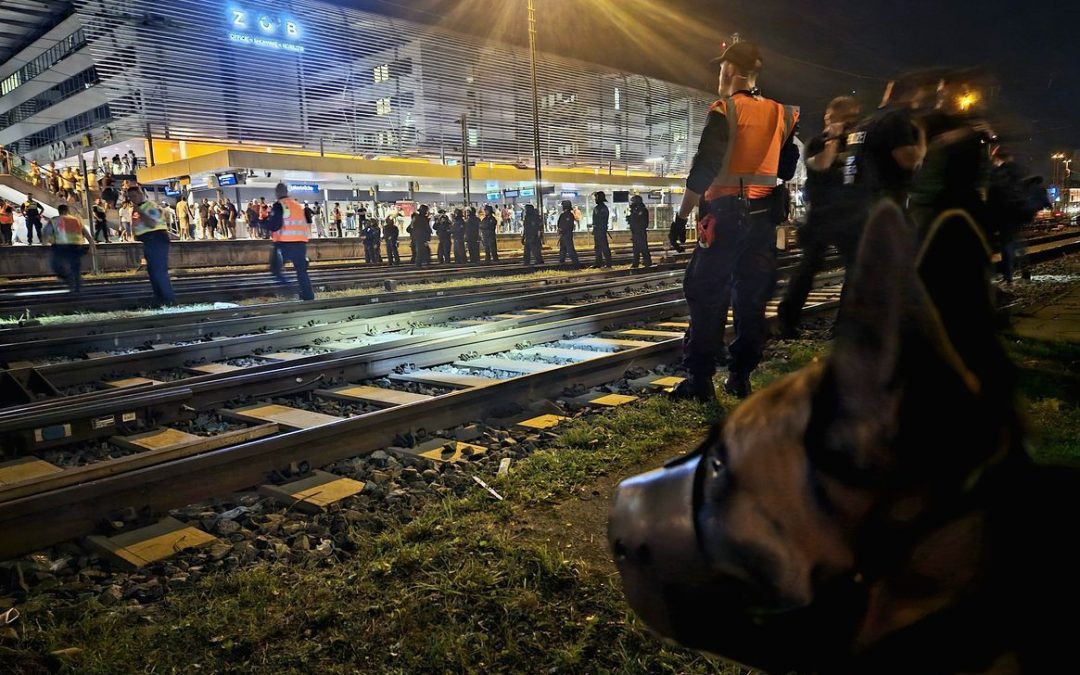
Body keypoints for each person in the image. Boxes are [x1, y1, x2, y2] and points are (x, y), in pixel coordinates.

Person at [670, 41, 800, 401]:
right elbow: (786, 167)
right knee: (752, 298)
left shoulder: (724, 110)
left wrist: (681, 217)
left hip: (723, 218)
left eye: (721, 69)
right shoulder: (782, 114)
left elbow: (704, 168)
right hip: (762, 222)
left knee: (707, 295)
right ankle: (740, 376)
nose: (719, 75)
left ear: (730, 71)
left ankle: (700, 381)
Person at [776, 96, 863, 338]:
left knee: (855, 271)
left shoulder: (855, 144)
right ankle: (787, 321)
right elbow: (822, 164)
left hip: (849, 215)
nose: (852, 123)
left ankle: (843, 326)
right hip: (821, 216)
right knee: (807, 268)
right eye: (847, 118)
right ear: (830, 117)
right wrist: (834, 138)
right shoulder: (816, 143)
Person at [842, 71, 936, 208]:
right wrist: (921, 132)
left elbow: (851, 165)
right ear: (908, 96)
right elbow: (910, 161)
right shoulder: (896, 118)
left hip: (858, 202)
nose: (918, 104)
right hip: (886, 204)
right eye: (918, 98)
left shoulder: (864, 123)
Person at [988, 148, 1037, 283]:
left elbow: (993, 193)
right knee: (1019, 242)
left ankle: (1008, 276)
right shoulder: (1020, 170)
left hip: (1004, 212)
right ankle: (1025, 270)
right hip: (1019, 212)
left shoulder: (998, 172)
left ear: (998, 158)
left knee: (1007, 244)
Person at [266, 183, 315, 301]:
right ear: (287, 192)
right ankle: (308, 297)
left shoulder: (278, 206)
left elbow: (274, 226)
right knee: (301, 271)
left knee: (275, 269)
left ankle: (289, 290)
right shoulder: (297, 205)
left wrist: (261, 222)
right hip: (300, 243)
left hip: (283, 244)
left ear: (277, 193)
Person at [129, 185, 176, 306]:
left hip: (156, 239)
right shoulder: (138, 208)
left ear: (141, 194)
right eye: (130, 197)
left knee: (159, 271)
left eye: (134, 196)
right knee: (153, 271)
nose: (132, 199)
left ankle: (168, 300)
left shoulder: (150, 206)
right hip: (149, 241)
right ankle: (159, 298)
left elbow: (152, 223)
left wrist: (139, 212)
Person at [47, 204, 96, 292]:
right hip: (75, 247)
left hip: (60, 247)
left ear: (59, 211)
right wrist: (92, 247)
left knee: (56, 265)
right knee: (75, 267)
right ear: (67, 211)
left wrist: (44, 243)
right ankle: (77, 285)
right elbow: (88, 235)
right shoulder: (76, 220)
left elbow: (46, 233)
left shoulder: (54, 220)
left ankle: (69, 280)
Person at [627, 194, 652, 268]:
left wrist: (632, 218)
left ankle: (647, 262)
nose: (632, 203)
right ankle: (636, 262)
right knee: (636, 249)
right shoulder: (635, 210)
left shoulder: (642, 210)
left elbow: (641, 222)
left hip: (640, 232)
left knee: (643, 248)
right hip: (635, 232)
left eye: (633, 201)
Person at [591, 192, 613, 268]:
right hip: (597, 229)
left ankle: (608, 263)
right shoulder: (597, 208)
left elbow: (602, 220)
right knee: (597, 247)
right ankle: (598, 262)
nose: (595, 199)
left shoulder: (603, 208)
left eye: (596, 197)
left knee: (604, 247)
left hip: (601, 230)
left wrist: (599, 227)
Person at [557, 199, 580, 267]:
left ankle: (575, 262)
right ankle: (562, 261)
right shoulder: (566, 214)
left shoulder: (569, 215)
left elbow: (567, 225)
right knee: (563, 248)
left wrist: (561, 229)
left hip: (566, 234)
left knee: (569, 248)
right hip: (564, 234)